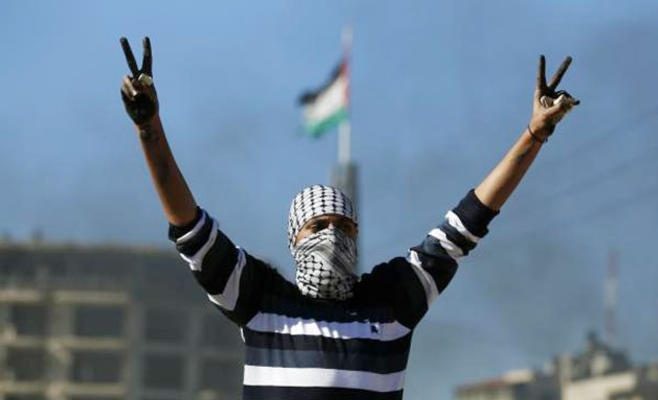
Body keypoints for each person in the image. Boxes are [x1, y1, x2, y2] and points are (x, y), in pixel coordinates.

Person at [119, 37, 579, 400]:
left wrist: (534, 134)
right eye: (318, 226)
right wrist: (148, 126)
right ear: (294, 238)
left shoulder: (393, 302)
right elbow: (189, 227)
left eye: (344, 227)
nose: (332, 235)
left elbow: (468, 223)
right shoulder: (259, 302)